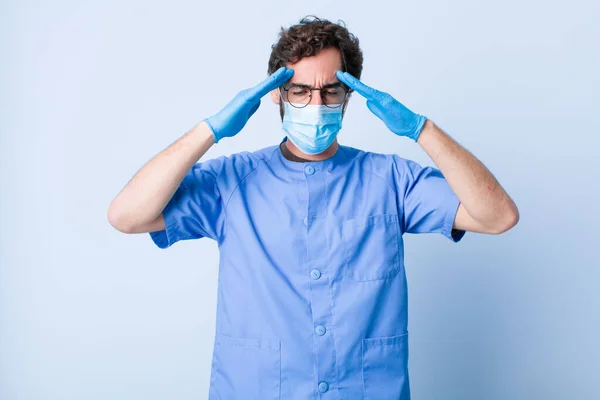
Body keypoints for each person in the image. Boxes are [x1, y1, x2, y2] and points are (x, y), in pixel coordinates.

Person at [108, 15, 519, 400]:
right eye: (300, 90)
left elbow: (497, 215)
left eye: (330, 92)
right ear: (277, 95)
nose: (315, 104)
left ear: (349, 96)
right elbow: (127, 216)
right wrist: (210, 130)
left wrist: (420, 129)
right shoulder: (230, 181)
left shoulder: (391, 180)